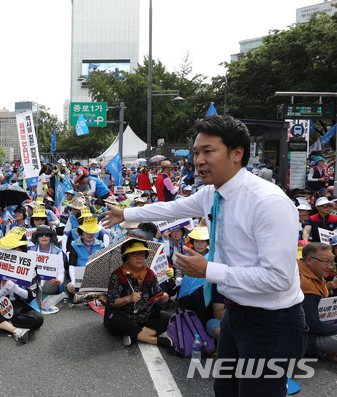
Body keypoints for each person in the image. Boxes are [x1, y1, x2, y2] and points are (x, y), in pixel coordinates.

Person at [102, 115, 306, 396]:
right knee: (225, 391)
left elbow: (279, 279)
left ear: (237, 153)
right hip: (235, 313)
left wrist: (209, 270)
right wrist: (126, 214)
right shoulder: (211, 194)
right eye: (197, 152)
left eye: (208, 151)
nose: (198, 160)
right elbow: (172, 208)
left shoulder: (268, 203)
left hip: (273, 322)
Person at [0, 227, 44, 344]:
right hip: (0, 303)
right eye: (9, 249)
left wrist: (16, 289)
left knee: (37, 319)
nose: (12, 253)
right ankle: (15, 330)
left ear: (23, 249)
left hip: (20, 305)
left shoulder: (30, 265)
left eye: (16, 249)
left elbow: (32, 294)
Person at [104, 239, 171, 347]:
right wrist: (128, 298)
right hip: (125, 317)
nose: (139, 257)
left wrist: (161, 298)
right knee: (117, 321)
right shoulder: (117, 275)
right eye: (134, 254)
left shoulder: (149, 273)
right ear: (126, 258)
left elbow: (157, 295)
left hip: (145, 316)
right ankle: (156, 341)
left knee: (168, 318)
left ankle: (133, 335)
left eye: (142, 254)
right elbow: (111, 302)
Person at [298, 243, 337, 361]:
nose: (330, 267)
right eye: (326, 262)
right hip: (305, 337)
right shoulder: (305, 283)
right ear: (309, 260)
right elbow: (312, 325)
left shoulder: (311, 272)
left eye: (332, 263)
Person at [67, 215, 105, 303]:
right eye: (87, 231)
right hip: (80, 279)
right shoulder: (74, 245)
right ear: (82, 231)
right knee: (70, 286)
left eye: (93, 231)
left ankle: (85, 296)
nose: (90, 234)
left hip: (96, 279)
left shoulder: (101, 245)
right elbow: (72, 265)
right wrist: (73, 282)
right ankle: (93, 295)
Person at [30, 225, 66, 295]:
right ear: (37, 237)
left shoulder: (58, 252)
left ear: (50, 237)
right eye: (40, 235)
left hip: (50, 284)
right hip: (34, 284)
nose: (44, 237)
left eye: (47, 234)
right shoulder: (31, 251)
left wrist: (58, 280)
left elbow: (60, 271)